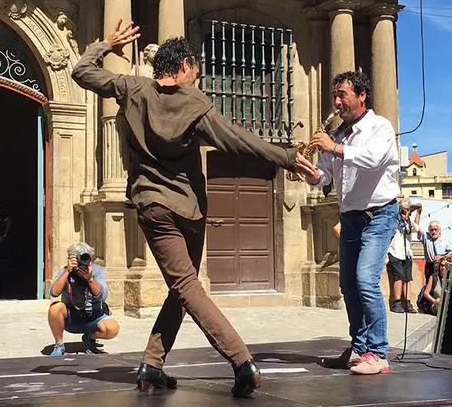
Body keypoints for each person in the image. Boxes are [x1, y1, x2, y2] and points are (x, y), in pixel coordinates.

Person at [71, 20, 305, 397]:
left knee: (181, 288)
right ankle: (242, 361)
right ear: (182, 67)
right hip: (188, 209)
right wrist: (288, 157)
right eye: (195, 72)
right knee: (186, 285)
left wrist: (107, 44)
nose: (196, 79)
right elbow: (240, 142)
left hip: (152, 206)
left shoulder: (131, 88)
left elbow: (81, 71)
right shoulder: (198, 106)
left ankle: (151, 364)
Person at [296, 71, 401, 375]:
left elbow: (373, 160)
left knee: (366, 279)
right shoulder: (339, 134)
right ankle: (359, 347)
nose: (337, 101)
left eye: (343, 94)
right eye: (335, 95)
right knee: (348, 284)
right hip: (351, 217)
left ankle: (378, 353)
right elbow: (324, 177)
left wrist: (334, 147)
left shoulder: (380, 126)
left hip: (379, 214)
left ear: (362, 95)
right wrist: (308, 172)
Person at [48, 242, 119, 356]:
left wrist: (90, 278)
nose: (82, 262)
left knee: (112, 328)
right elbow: (53, 292)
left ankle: (90, 337)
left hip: (94, 316)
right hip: (71, 318)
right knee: (55, 307)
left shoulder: (97, 270)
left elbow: (103, 295)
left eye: (86, 258)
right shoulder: (65, 271)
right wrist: (67, 272)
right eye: (78, 258)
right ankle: (59, 345)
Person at [387, 200, 421, 313]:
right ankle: (397, 302)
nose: (405, 211)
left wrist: (413, 216)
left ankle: (407, 302)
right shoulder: (394, 220)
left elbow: (417, 228)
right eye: (403, 208)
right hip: (395, 252)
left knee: (407, 278)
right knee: (399, 277)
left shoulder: (409, 221)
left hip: (407, 253)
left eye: (407, 209)